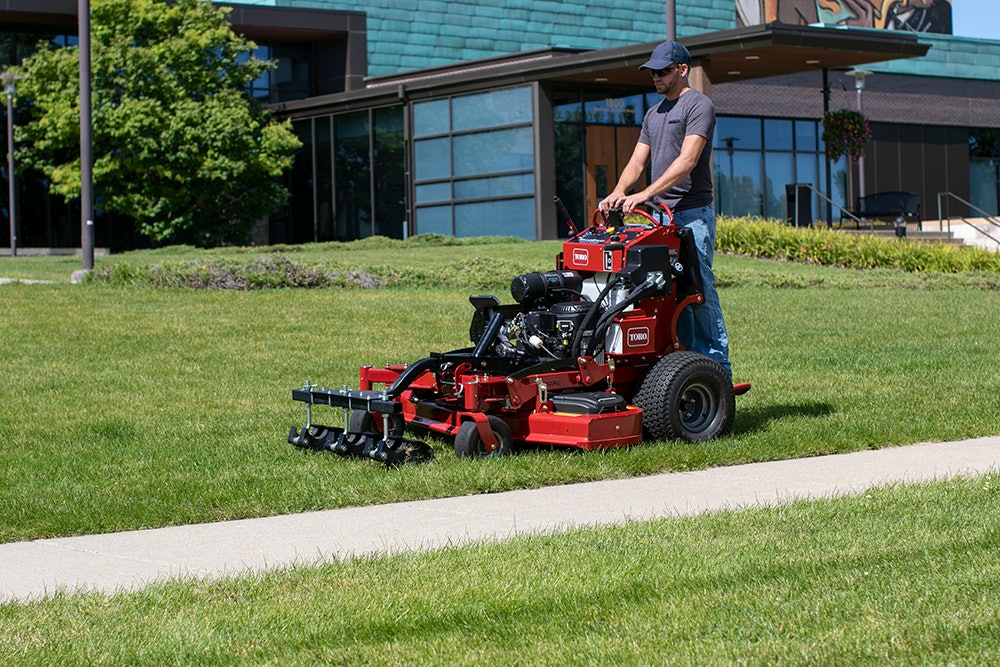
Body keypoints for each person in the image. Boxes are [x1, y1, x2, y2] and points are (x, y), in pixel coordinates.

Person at [598, 40, 731, 379]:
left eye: (662, 71)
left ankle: (718, 370)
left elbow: (687, 161)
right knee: (665, 294)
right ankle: (682, 368)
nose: (656, 77)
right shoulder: (653, 113)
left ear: (682, 70)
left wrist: (644, 193)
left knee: (698, 292)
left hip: (691, 215)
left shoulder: (699, 106)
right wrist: (618, 191)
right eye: (652, 72)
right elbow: (637, 160)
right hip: (658, 218)